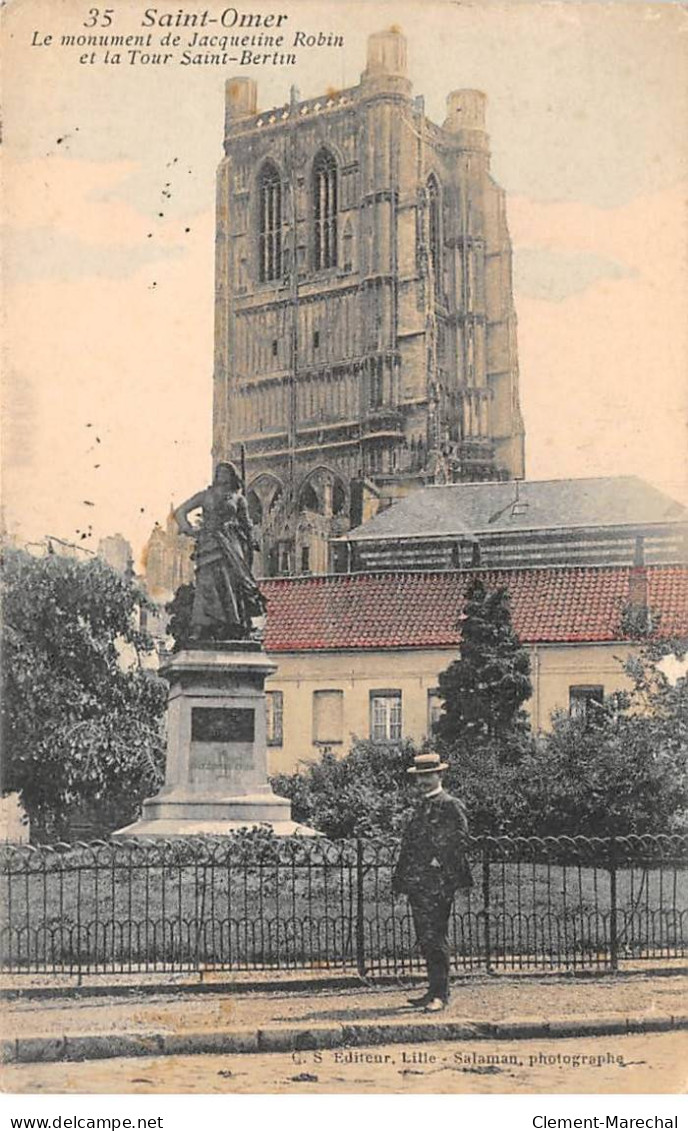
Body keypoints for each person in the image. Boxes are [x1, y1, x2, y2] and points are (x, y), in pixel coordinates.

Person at [392, 751, 472, 1012]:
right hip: (418, 882)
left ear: (439, 775)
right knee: (425, 937)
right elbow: (409, 846)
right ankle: (432, 989)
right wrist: (400, 880)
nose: (424, 782)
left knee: (436, 936)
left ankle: (442, 994)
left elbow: (460, 839)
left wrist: (441, 862)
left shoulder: (450, 804)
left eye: (429, 776)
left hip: (438, 882)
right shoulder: (421, 806)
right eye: (420, 777)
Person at [174, 461, 265, 642]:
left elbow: (247, 524)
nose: (222, 475)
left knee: (230, 585)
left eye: (226, 472)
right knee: (206, 584)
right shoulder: (205, 495)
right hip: (209, 544)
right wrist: (189, 529)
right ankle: (199, 627)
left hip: (231, 546)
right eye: (219, 472)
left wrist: (251, 539)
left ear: (232, 476)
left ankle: (233, 626)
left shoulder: (238, 499)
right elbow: (180, 511)